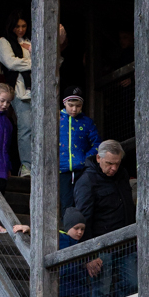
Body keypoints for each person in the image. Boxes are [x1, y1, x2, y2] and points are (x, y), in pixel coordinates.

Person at [73, 139, 136, 297]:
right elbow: (83, 219)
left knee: (133, 285)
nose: (113, 168)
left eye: (117, 163)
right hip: (100, 248)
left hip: (126, 244)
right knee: (102, 293)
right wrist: (89, 255)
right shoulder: (86, 181)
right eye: (109, 163)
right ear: (99, 158)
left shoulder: (122, 174)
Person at [0, 15, 33, 174]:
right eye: (17, 26)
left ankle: (38, 167)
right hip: (19, 88)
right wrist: (36, 63)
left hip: (37, 89)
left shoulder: (31, 41)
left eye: (23, 26)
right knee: (25, 128)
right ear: (11, 27)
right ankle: (26, 167)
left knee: (39, 129)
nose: (21, 29)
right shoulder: (5, 41)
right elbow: (10, 62)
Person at [58, 89, 100, 217]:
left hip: (81, 170)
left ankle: (81, 233)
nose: (74, 109)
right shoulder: (55, 120)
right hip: (61, 169)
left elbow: (97, 144)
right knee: (65, 202)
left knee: (82, 201)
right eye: (71, 105)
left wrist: (85, 158)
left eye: (78, 106)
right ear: (64, 103)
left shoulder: (87, 122)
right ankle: (67, 231)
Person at [57, 212, 94, 297]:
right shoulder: (58, 238)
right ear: (68, 227)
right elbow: (41, 234)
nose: (79, 232)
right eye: (76, 228)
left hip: (80, 288)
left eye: (82, 229)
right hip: (63, 289)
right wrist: (29, 229)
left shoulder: (82, 243)